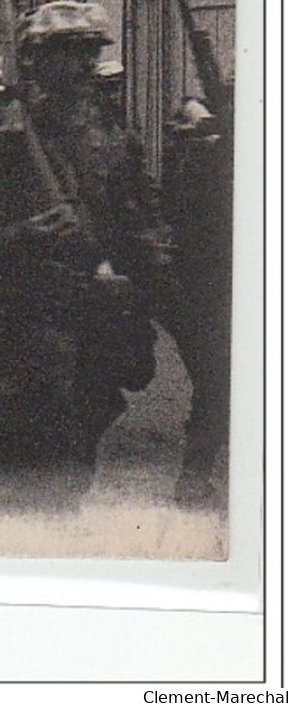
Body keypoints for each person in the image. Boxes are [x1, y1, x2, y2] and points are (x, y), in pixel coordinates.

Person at [0, 1, 169, 513]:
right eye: (72, 52)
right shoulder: (2, 139)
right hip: (20, 325)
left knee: (72, 464)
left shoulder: (112, 139)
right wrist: (18, 236)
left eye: (92, 51)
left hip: (92, 325)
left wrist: (136, 274)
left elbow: (141, 221)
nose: (87, 65)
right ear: (36, 61)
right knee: (14, 474)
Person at [158, 96, 233, 510]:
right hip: (211, 280)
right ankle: (196, 473)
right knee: (218, 377)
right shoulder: (205, 158)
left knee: (218, 378)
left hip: (217, 277)